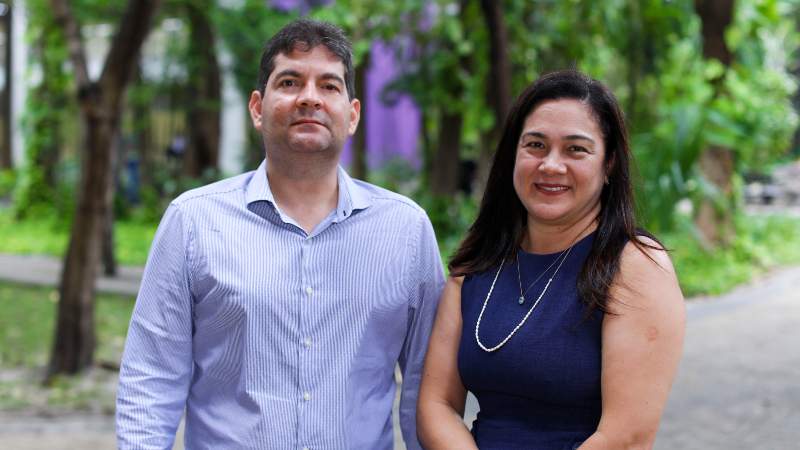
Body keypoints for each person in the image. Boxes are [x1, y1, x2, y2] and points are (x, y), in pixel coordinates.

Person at [116, 19, 445, 450]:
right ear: (257, 108)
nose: (310, 98)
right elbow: (151, 379)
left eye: (329, 86)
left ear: (353, 115)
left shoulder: (407, 231)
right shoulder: (192, 222)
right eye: (290, 81)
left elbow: (427, 391)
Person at [416, 70, 686, 449]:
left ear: (609, 165)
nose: (551, 165)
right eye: (536, 145)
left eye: (576, 149)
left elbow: (628, 437)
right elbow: (436, 403)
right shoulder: (479, 263)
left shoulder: (636, 265)